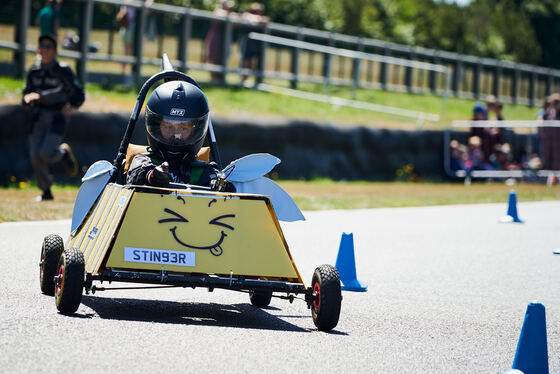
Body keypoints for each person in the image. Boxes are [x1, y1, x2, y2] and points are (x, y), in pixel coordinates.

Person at [127, 80, 233, 191]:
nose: (176, 135)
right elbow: (138, 177)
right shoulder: (141, 161)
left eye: (183, 128)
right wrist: (154, 177)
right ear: (156, 127)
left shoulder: (204, 171)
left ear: (195, 131)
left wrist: (222, 187)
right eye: (168, 127)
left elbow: (226, 195)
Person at [22, 35, 84, 201]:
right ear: (37, 49)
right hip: (37, 116)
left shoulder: (63, 71)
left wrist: (72, 105)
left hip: (57, 117)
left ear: (55, 51)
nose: (45, 49)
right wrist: (27, 99)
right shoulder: (33, 72)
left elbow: (79, 93)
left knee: (46, 153)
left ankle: (63, 153)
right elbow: (26, 94)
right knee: (35, 155)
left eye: (49, 46)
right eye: (42, 46)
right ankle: (46, 192)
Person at [205, 1, 237, 83]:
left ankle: (220, 80)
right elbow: (221, 14)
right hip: (216, 39)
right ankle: (214, 80)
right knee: (214, 59)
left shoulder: (229, 14)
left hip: (225, 40)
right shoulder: (218, 11)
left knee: (223, 59)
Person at [239, 3, 269, 83]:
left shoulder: (260, 18)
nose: (258, 13)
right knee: (246, 62)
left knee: (255, 64)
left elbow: (266, 20)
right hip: (247, 43)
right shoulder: (246, 15)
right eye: (255, 11)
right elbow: (246, 16)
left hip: (256, 45)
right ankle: (243, 81)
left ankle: (256, 81)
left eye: (260, 11)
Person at [116, 2, 136, 76]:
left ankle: (124, 72)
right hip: (129, 29)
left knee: (127, 52)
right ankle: (128, 73)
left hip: (126, 29)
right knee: (130, 52)